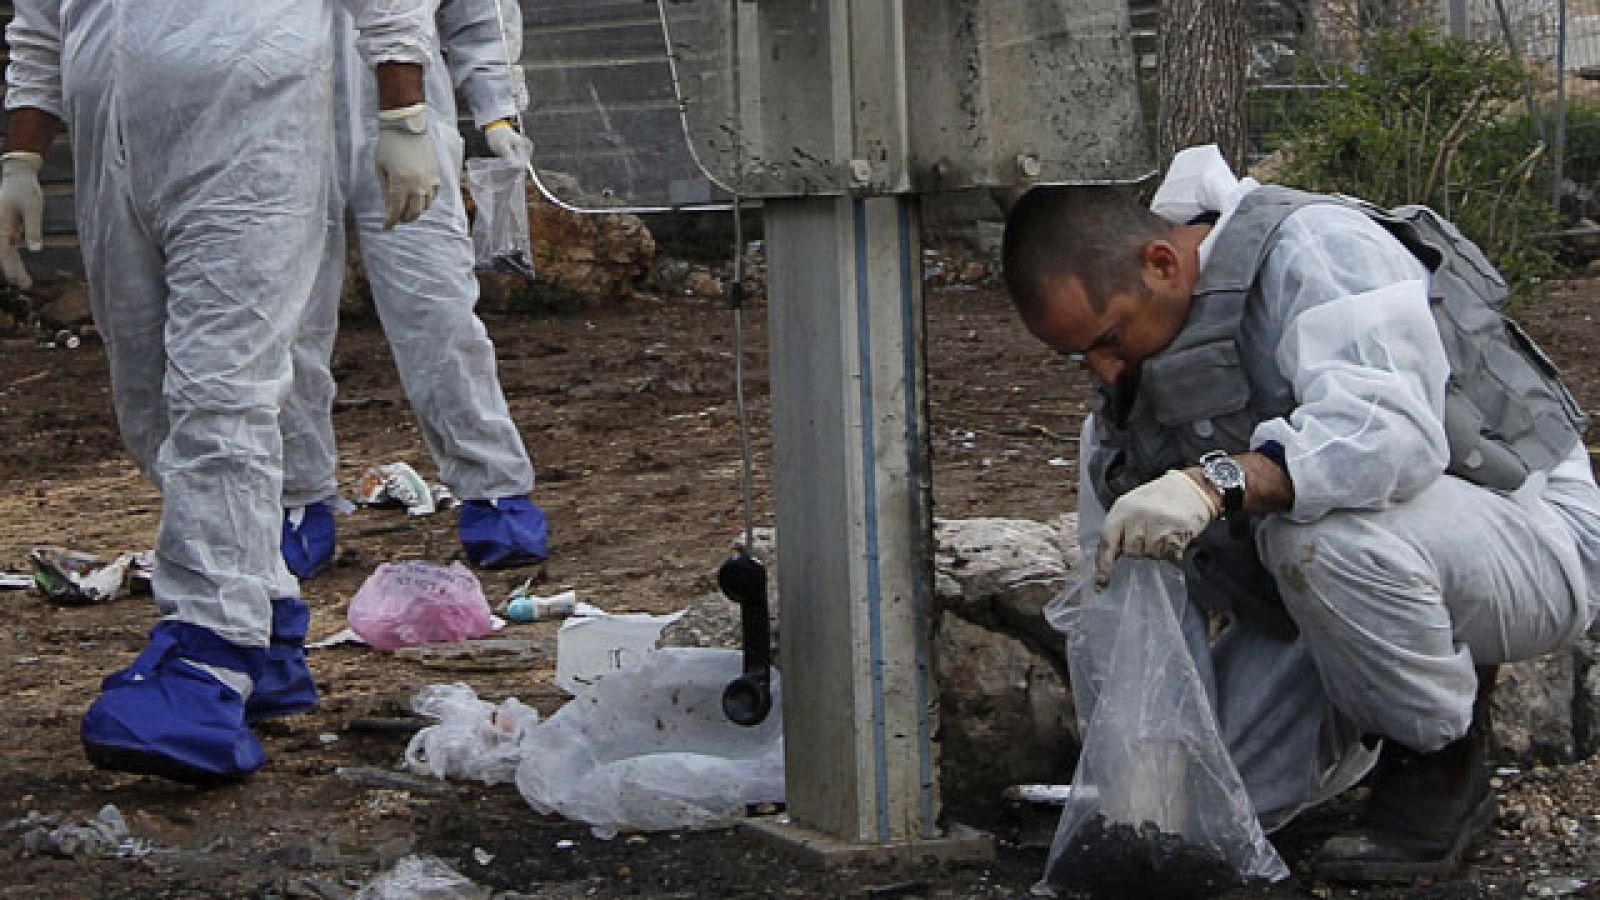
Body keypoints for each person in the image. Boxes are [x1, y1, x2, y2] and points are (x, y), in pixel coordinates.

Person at [1002, 144, 1600, 881]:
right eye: (1078, 357)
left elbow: (1393, 438)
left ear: (1162, 262)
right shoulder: (1127, 412)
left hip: (1531, 533)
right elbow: (1121, 610)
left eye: (1107, 339)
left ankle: (1441, 769)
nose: (1104, 372)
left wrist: (1215, 481)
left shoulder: (1316, 249)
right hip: (1333, 588)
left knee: (1323, 538)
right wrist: (1143, 781)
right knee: (1203, 813)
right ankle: (1381, 715)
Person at [0, 0, 441, 783]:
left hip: (253, 137)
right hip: (116, 155)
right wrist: (22, 160)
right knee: (154, 406)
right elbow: (40, 23)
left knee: (221, 394)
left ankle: (208, 658)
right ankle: (266, 629)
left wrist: (403, 108)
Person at [280, 0, 547, 581]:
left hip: (408, 117)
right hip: (278, 122)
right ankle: (292, 501)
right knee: (287, 323)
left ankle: (494, 492)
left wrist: (496, 106)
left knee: (439, 310)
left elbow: (480, 11)